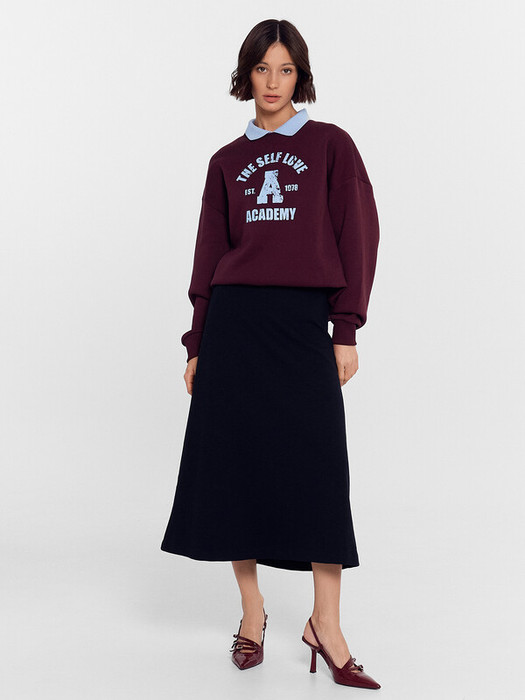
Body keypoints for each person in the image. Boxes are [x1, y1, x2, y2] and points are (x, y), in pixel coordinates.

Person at [160, 18, 381, 690]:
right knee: (237, 468)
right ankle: (252, 611)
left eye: (285, 70)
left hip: (300, 324)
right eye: (262, 69)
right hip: (233, 326)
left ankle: (326, 624)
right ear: (246, 75)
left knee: (319, 471)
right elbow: (208, 255)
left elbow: (357, 235)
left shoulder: (331, 146)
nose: (273, 83)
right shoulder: (226, 161)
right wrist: (198, 341)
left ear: (300, 76)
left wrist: (345, 327)